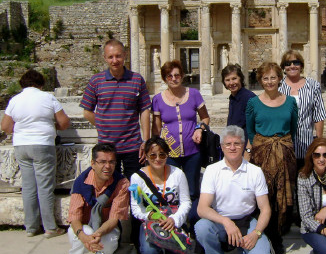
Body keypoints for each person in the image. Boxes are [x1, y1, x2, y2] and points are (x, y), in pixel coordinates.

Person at [1, 69, 70, 238]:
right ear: (40, 84)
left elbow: (6, 127)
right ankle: (50, 227)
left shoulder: (15, 100)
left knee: (29, 186)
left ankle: (31, 226)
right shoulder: (47, 97)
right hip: (42, 144)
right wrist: (51, 127)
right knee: (45, 187)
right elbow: (64, 122)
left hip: (21, 145)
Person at [195, 126, 272, 254]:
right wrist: (226, 222)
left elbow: (265, 209)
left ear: (243, 146)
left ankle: (244, 252)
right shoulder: (212, 170)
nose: (232, 148)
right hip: (221, 221)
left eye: (237, 144)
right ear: (222, 147)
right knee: (201, 227)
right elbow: (202, 208)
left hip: (246, 221)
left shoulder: (255, 171)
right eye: (228, 144)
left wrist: (256, 233)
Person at [50, 143, 130, 254]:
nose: (107, 166)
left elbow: (114, 218)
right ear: (93, 163)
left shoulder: (121, 183)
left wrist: (97, 234)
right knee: (81, 234)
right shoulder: (81, 182)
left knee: (110, 238)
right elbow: (74, 217)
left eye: (111, 162)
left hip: (105, 227)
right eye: (102, 162)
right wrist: (84, 237)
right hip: (84, 225)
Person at [246, 62, 298, 254]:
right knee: (263, 196)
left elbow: (293, 128)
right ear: (260, 80)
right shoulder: (253, 103)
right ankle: (264, 235)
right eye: (265, 78)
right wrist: (262, 147)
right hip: (262, 155)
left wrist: (279, 145)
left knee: (281, 197)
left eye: (273, 77)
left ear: (280, 79)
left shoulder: (291, 102)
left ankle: (277, 236)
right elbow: (251, 131)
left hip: (284, 153)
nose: (269, 82)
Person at [80, 39, 151, 180]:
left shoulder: (137, 80)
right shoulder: (96, 81)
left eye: (118, 56)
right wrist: (103, 125)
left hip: (133, 147)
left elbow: (144, 110)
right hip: (107, 148)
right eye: (110, 57)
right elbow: (87, 111)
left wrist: (146, 141)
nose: (115, 60)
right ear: (105, 58)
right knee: (110, 187)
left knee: (136, 187)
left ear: (125, 55)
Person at [130, 136, 191, 254]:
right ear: (146, 156)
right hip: (152, 222)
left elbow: (186, 202)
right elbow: (136, 207)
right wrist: (151, 215)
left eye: (162, 154)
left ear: (167, 155)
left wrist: (174, 220)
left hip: (173, 221)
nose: (157, 158)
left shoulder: (178, 173)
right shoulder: (137, 177)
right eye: (152, 155)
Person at [151, 59, 210, 201]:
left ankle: (193, 220)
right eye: (169, 76)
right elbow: (156, 128)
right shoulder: (158, 99)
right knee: (172, 189)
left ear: (182, 76)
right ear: (165, 79)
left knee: (192, 189)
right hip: (169, 153)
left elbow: (205, 118)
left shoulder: (194, 94)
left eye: (177, 75)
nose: (174, 79)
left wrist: (199, 129)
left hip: (193, 151)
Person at [279, 50, 326, 171]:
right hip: (283, 143)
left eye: (296, 62)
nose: (292, 66)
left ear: (301, 65)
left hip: (306, 143)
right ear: (283, 67)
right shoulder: (278, 86)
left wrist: (319, 140)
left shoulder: (313, 85)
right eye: (288, 63)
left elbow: (318, 114)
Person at [221, 63, 256, 150]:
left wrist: (248, 150)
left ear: (240, 78)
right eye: (227, 80)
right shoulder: (233, 97)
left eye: (234, 78)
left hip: (245, 147)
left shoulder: (249, 98)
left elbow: (254, 128)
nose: (231, 83)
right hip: (234, 146)